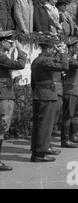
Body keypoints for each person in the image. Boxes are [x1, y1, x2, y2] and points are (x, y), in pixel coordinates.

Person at [30, 37, 68, 162]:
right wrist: (63, 52)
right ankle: (41, 154)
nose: (53, 51)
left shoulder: (36, 60)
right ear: (48, 49)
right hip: (47, 96)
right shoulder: (45, 61)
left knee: (38, 125)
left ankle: (36, 152)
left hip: (38, 95)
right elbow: (64, 66)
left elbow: (32, 83)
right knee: (45, 125)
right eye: (52, 48)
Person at [0, 31, 27, 171]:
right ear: (2, 42)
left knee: (2, 126)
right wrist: (21, 51)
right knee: (2, 125)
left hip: (5, 92)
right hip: (3, 94)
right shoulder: (1, 56)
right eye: (9, 43)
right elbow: (20, 65)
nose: (11, 45)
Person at [61, 38, 78, 148]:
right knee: (68, 115)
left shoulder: (70, 58)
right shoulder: (68, 58)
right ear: (71, 47)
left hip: (73, 90)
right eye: (75, 47)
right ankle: (65, 139)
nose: (77, 49)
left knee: (73, 114)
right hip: (69, 90)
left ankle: (72, 136)